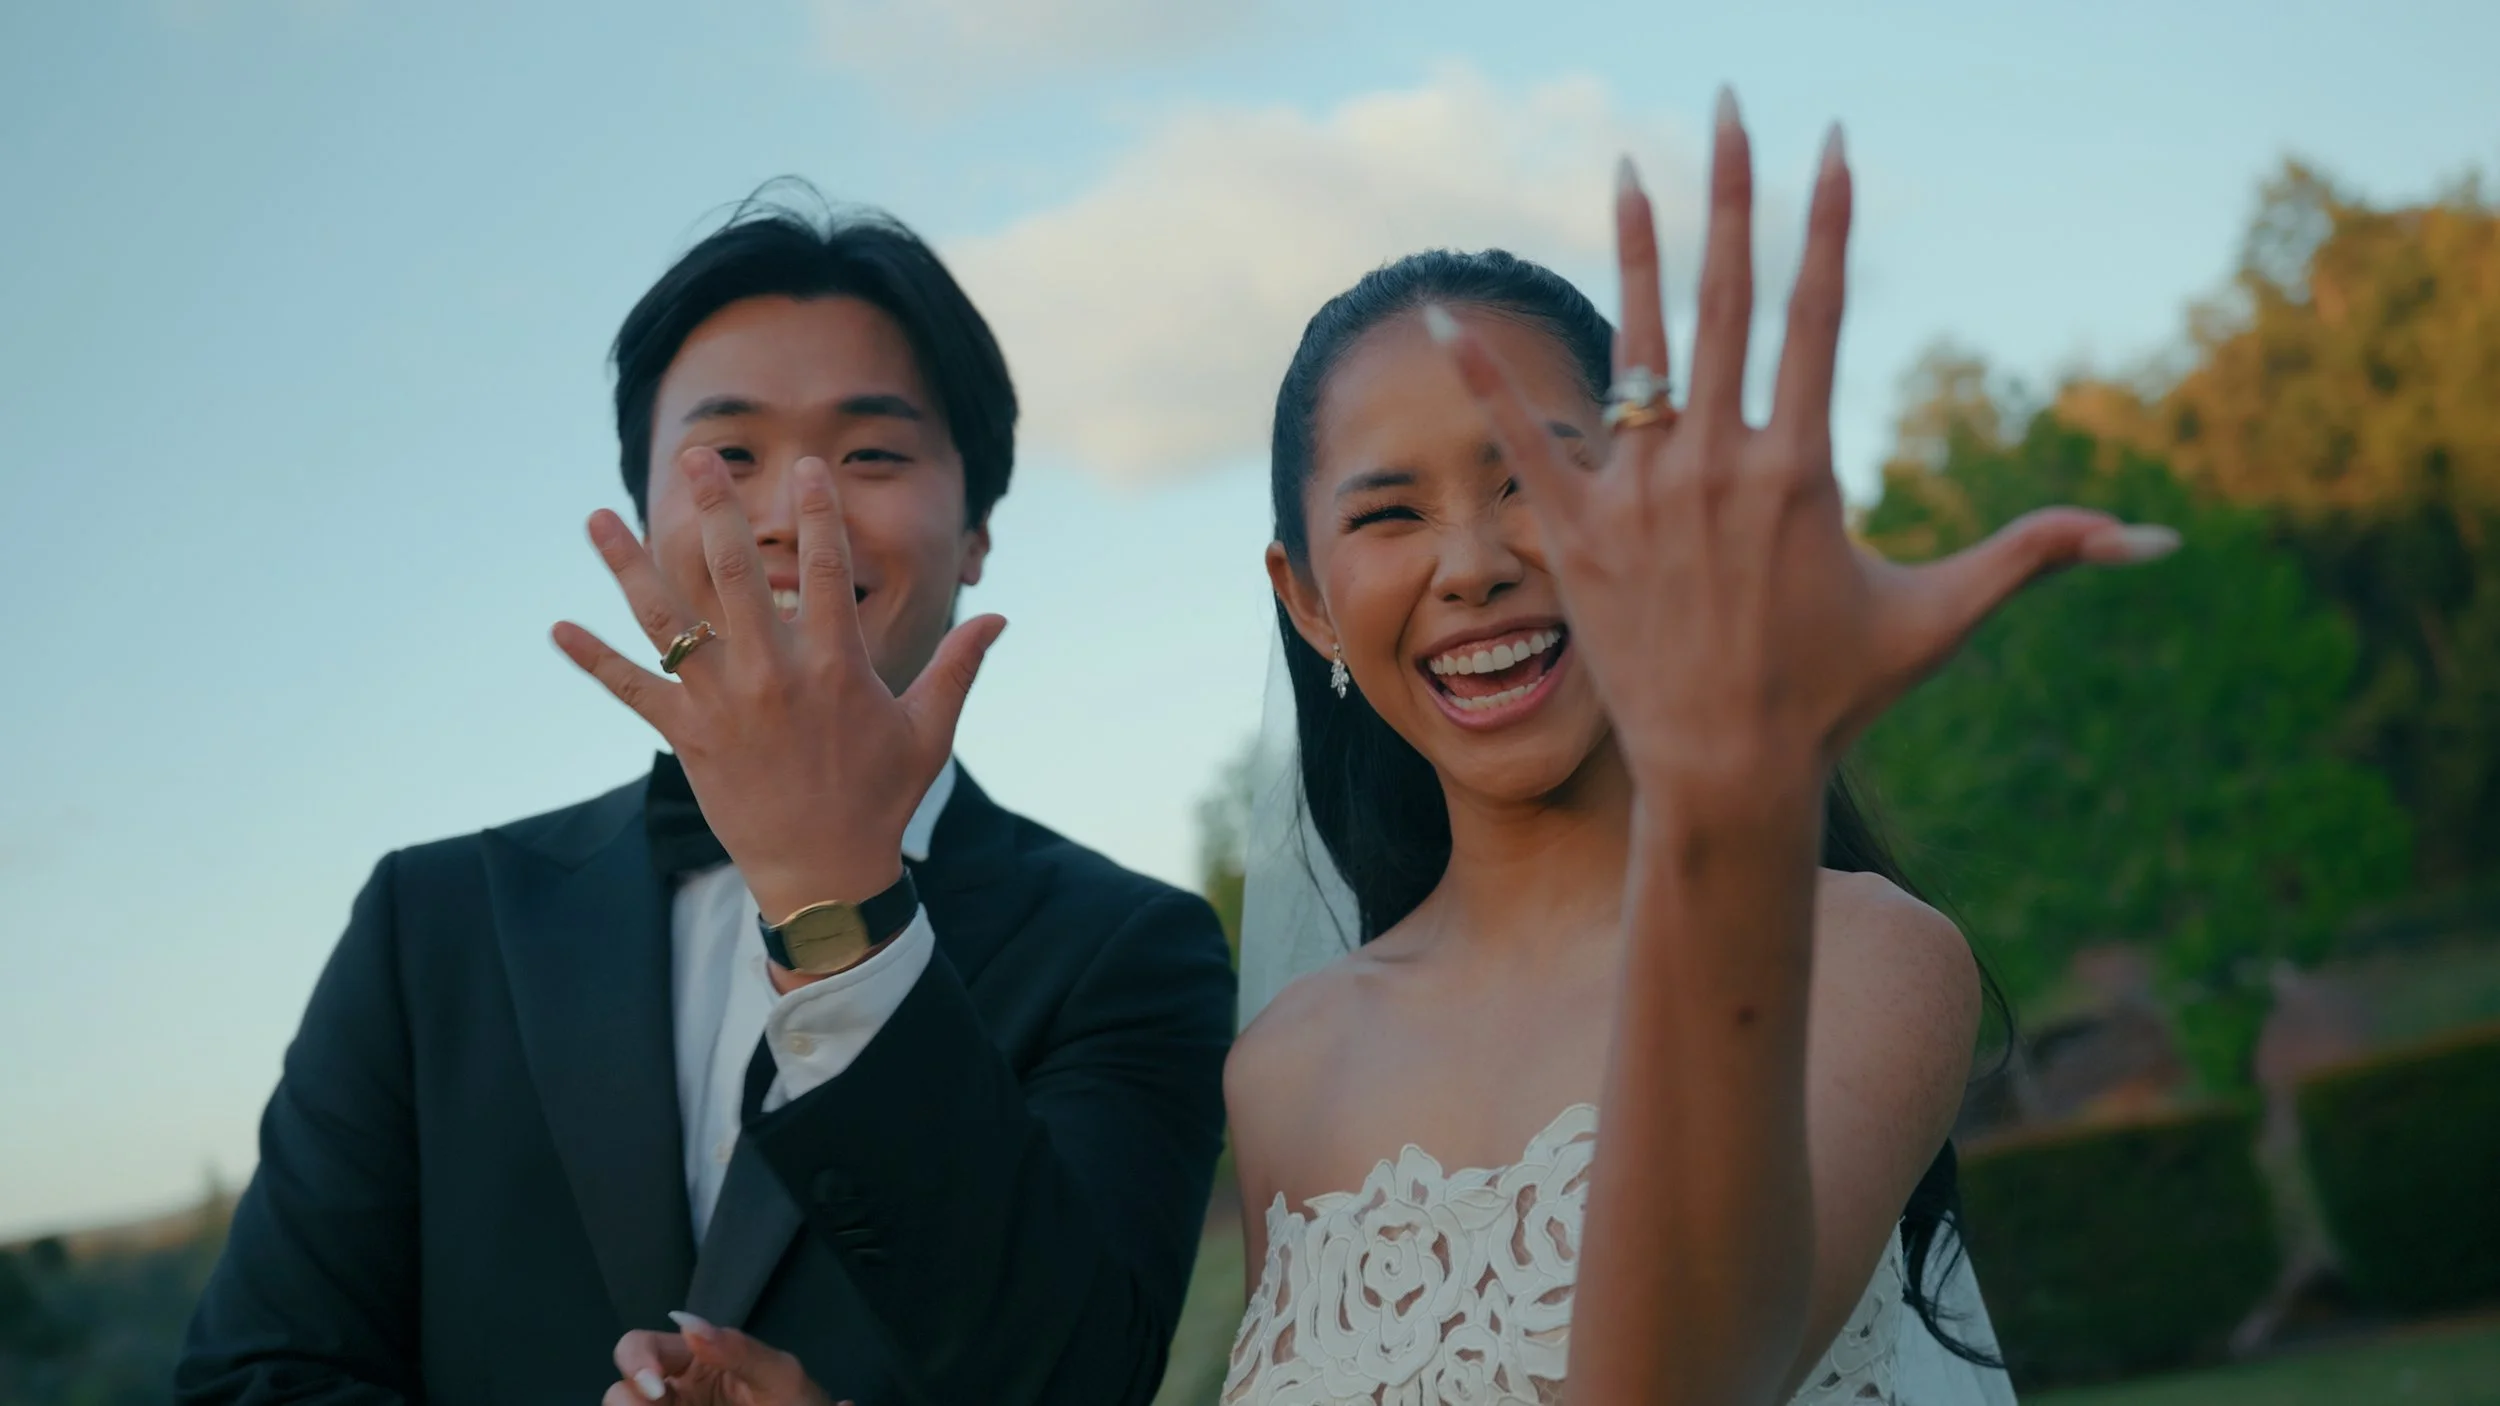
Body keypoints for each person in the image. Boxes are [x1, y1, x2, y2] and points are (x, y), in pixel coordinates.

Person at [595, 91, 2177, 1406]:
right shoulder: (1289, 1066)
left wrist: (1731, 797)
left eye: (1538, 478)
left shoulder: (1869, 955)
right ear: (1311, 605)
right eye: (1389, 512)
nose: (1474, 560)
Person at [176, 199, 1236, 1406]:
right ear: (640, 518)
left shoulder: (1130, 949)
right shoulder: (428, 924)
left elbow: (1076, 1380)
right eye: (725, 458)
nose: (791, 511)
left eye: (871, 454)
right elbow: (255, 1378)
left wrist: (835, 897)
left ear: (978, 526)